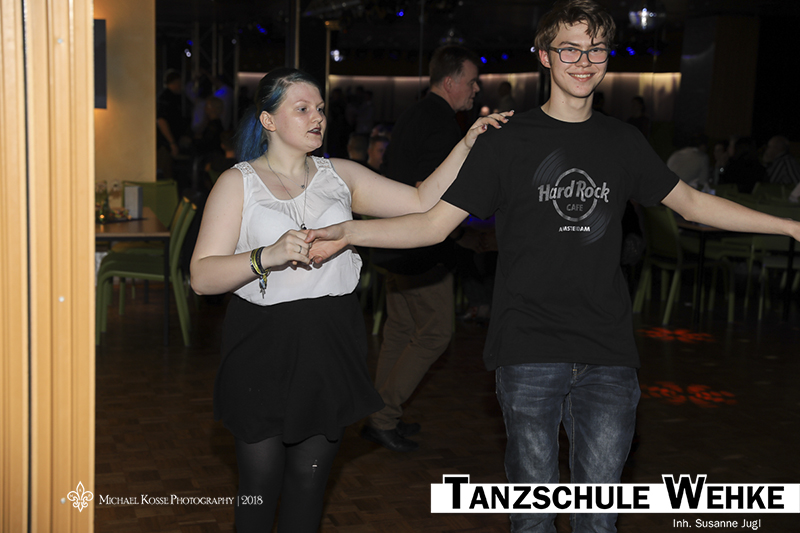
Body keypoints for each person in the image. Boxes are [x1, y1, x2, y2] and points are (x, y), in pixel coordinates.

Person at [304, 1, 800, 531]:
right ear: (544, 56)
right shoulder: (506, 140)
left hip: (607, 353)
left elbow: (694, 205)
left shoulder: (623, 142)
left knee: (598, 521)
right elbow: (431, 224)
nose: (583, 61)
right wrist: (349, 233)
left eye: (595, 50)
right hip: (528, 349)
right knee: (533, 521)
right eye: (569, 49)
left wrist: (790, 227)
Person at [189, 68, 508, 533]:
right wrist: (267, 256)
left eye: (320, 108)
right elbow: (202, 277)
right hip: (262, 344)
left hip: (331, 339)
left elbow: (422, 200)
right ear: (269, 120)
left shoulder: (340, 174)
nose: (317, 117)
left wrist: (466, 144)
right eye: (302, 109)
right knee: (259, 487)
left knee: (308, 487)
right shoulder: (238, 183)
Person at [366, 44, 482, 453]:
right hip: (419, 251)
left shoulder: (413, 114)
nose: (476, 89)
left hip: (394, 245)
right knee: (434, 333)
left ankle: (380, 415)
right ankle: (383, 416)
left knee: (399, 331)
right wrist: (462, 232)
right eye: (471, 82)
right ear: (450, 82)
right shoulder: (443, 126)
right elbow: (427, 191)